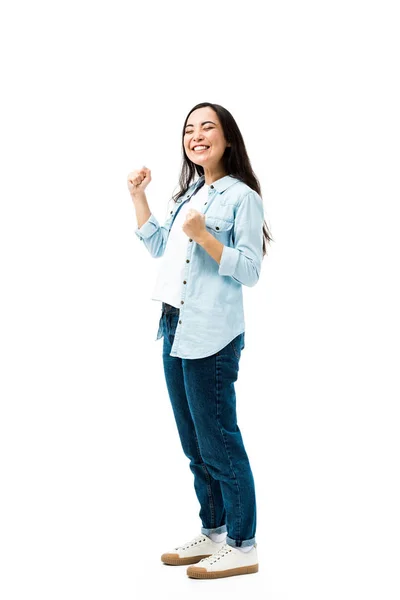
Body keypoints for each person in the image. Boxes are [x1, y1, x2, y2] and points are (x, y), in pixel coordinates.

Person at [127, 102, 273, 579]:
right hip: (173, 324)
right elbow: (158, 247)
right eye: (189, 129)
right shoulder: (190, 191)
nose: (196, 135)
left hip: (212, 332)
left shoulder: (242, 197)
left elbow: (250, 270)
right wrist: (139, 197)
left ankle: (243, 543)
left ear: (228, 138)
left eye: (207, 126)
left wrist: (205, 237)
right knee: (193, 442)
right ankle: (214, 532)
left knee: (219, 441)